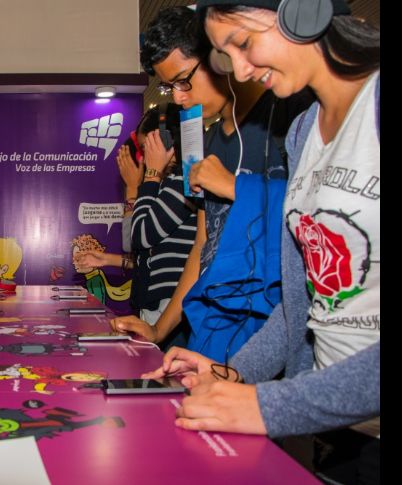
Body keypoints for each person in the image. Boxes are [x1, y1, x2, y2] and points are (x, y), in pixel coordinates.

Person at [145, 0, 379, 482]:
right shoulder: (302, 133)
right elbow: (300, 308)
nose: (243, 69)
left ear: (306, 12)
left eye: (244, 43)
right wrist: (234, 372)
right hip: (336, 425)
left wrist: (267, 404)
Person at [109, 6, 311, 361]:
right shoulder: (205, 145)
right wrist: (159, 330)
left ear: (221, 58)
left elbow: (318, 220)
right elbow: (202, 246)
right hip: (217, 332)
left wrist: (232, 186)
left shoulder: (290, 114)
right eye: (170, 86)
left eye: (184, 80)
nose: (178, 97)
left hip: (281, 334)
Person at [74, 105, 197, 348]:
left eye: (145, 149)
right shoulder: (164, 186)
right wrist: (108, 259)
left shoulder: (182, 182)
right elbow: (137, 247)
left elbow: (141, 236)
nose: (142, 156)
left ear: (166, 142)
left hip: (171, 309)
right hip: (151, 303)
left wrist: (144, 181)